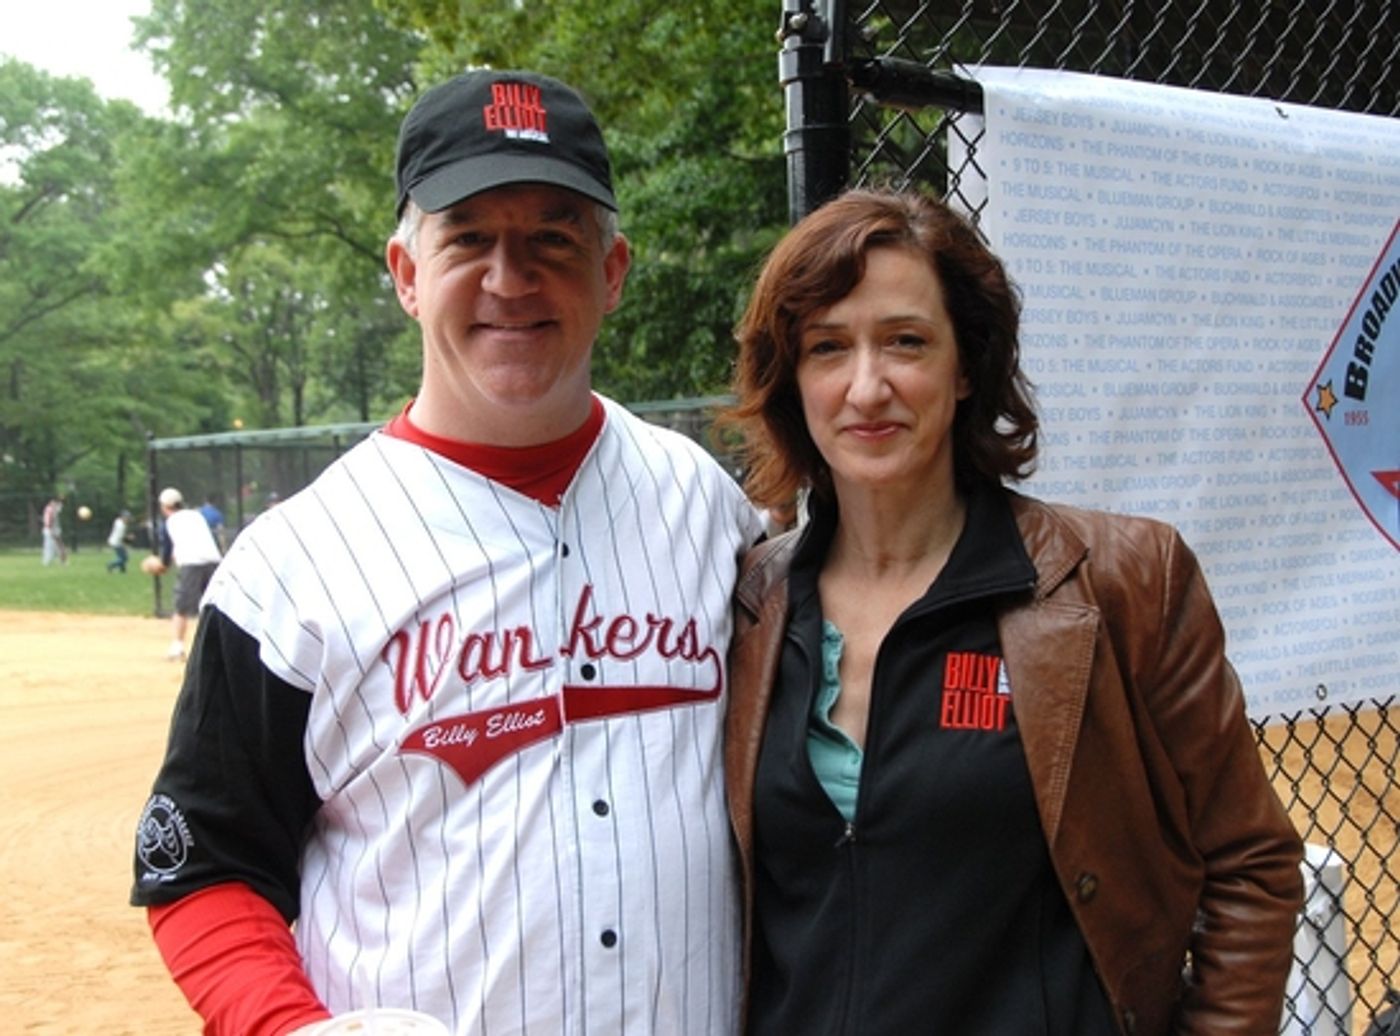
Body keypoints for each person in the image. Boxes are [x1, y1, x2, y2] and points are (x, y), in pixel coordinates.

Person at [130, 69, 762, 1036]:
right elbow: (203, 865)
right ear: (406, 272)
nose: (512, 278)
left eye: (554, 236)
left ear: (614, 270)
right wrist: (286, 1029)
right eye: (468, 237)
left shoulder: (708, 508)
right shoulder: (293, 563)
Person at [719, 188, 1304, 1035]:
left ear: (965, 368)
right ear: (793, 379)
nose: (867, 386)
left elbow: (1250, 863)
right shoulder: (750, 607)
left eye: (906, 342)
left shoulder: (1122, 583)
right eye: (827, 348)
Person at [155, 486, 224, 660]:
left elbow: (165, 556)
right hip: (215, 561)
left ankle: (177, 647)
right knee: (216, 606)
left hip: (192, 564)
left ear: (165, 506)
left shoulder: (169, 522)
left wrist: (158, 565)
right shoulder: (196, 515)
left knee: (181, 606)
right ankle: (221, 649)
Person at [41, 495, 66, 565]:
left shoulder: (54, 508)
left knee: (58, 546)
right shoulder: (50, 509)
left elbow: (61, 504)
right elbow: (49, 520)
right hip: (50, 530)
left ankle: (62, 561)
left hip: (53, 529)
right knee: (51, 547)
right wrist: (50, 529)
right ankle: (48, 561)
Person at [106, 509, 131, 573]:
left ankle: (122, 570)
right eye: (126, 517)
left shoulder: (117, 521)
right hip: (117, 543)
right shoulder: (121, 526)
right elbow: (122, 537)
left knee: (121, 556)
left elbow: (121, 521)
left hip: (113, 541)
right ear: (122, 517)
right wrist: (129, 537)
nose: (128, 519)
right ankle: (111, 564)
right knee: (124, 558)